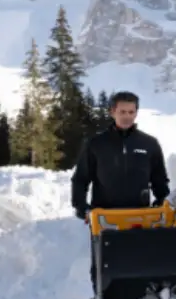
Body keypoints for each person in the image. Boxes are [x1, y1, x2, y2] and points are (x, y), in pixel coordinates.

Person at [71, 90, 170, 223]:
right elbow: (80, 179)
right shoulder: (96, 144)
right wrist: (82, 208)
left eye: (131, 112)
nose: (127, 116)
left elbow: (159, 180)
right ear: (113, 112)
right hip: (104, 219)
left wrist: (162, 203)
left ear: (136, 113)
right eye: (122, 112)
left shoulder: (149, 144)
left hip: (141, 216)